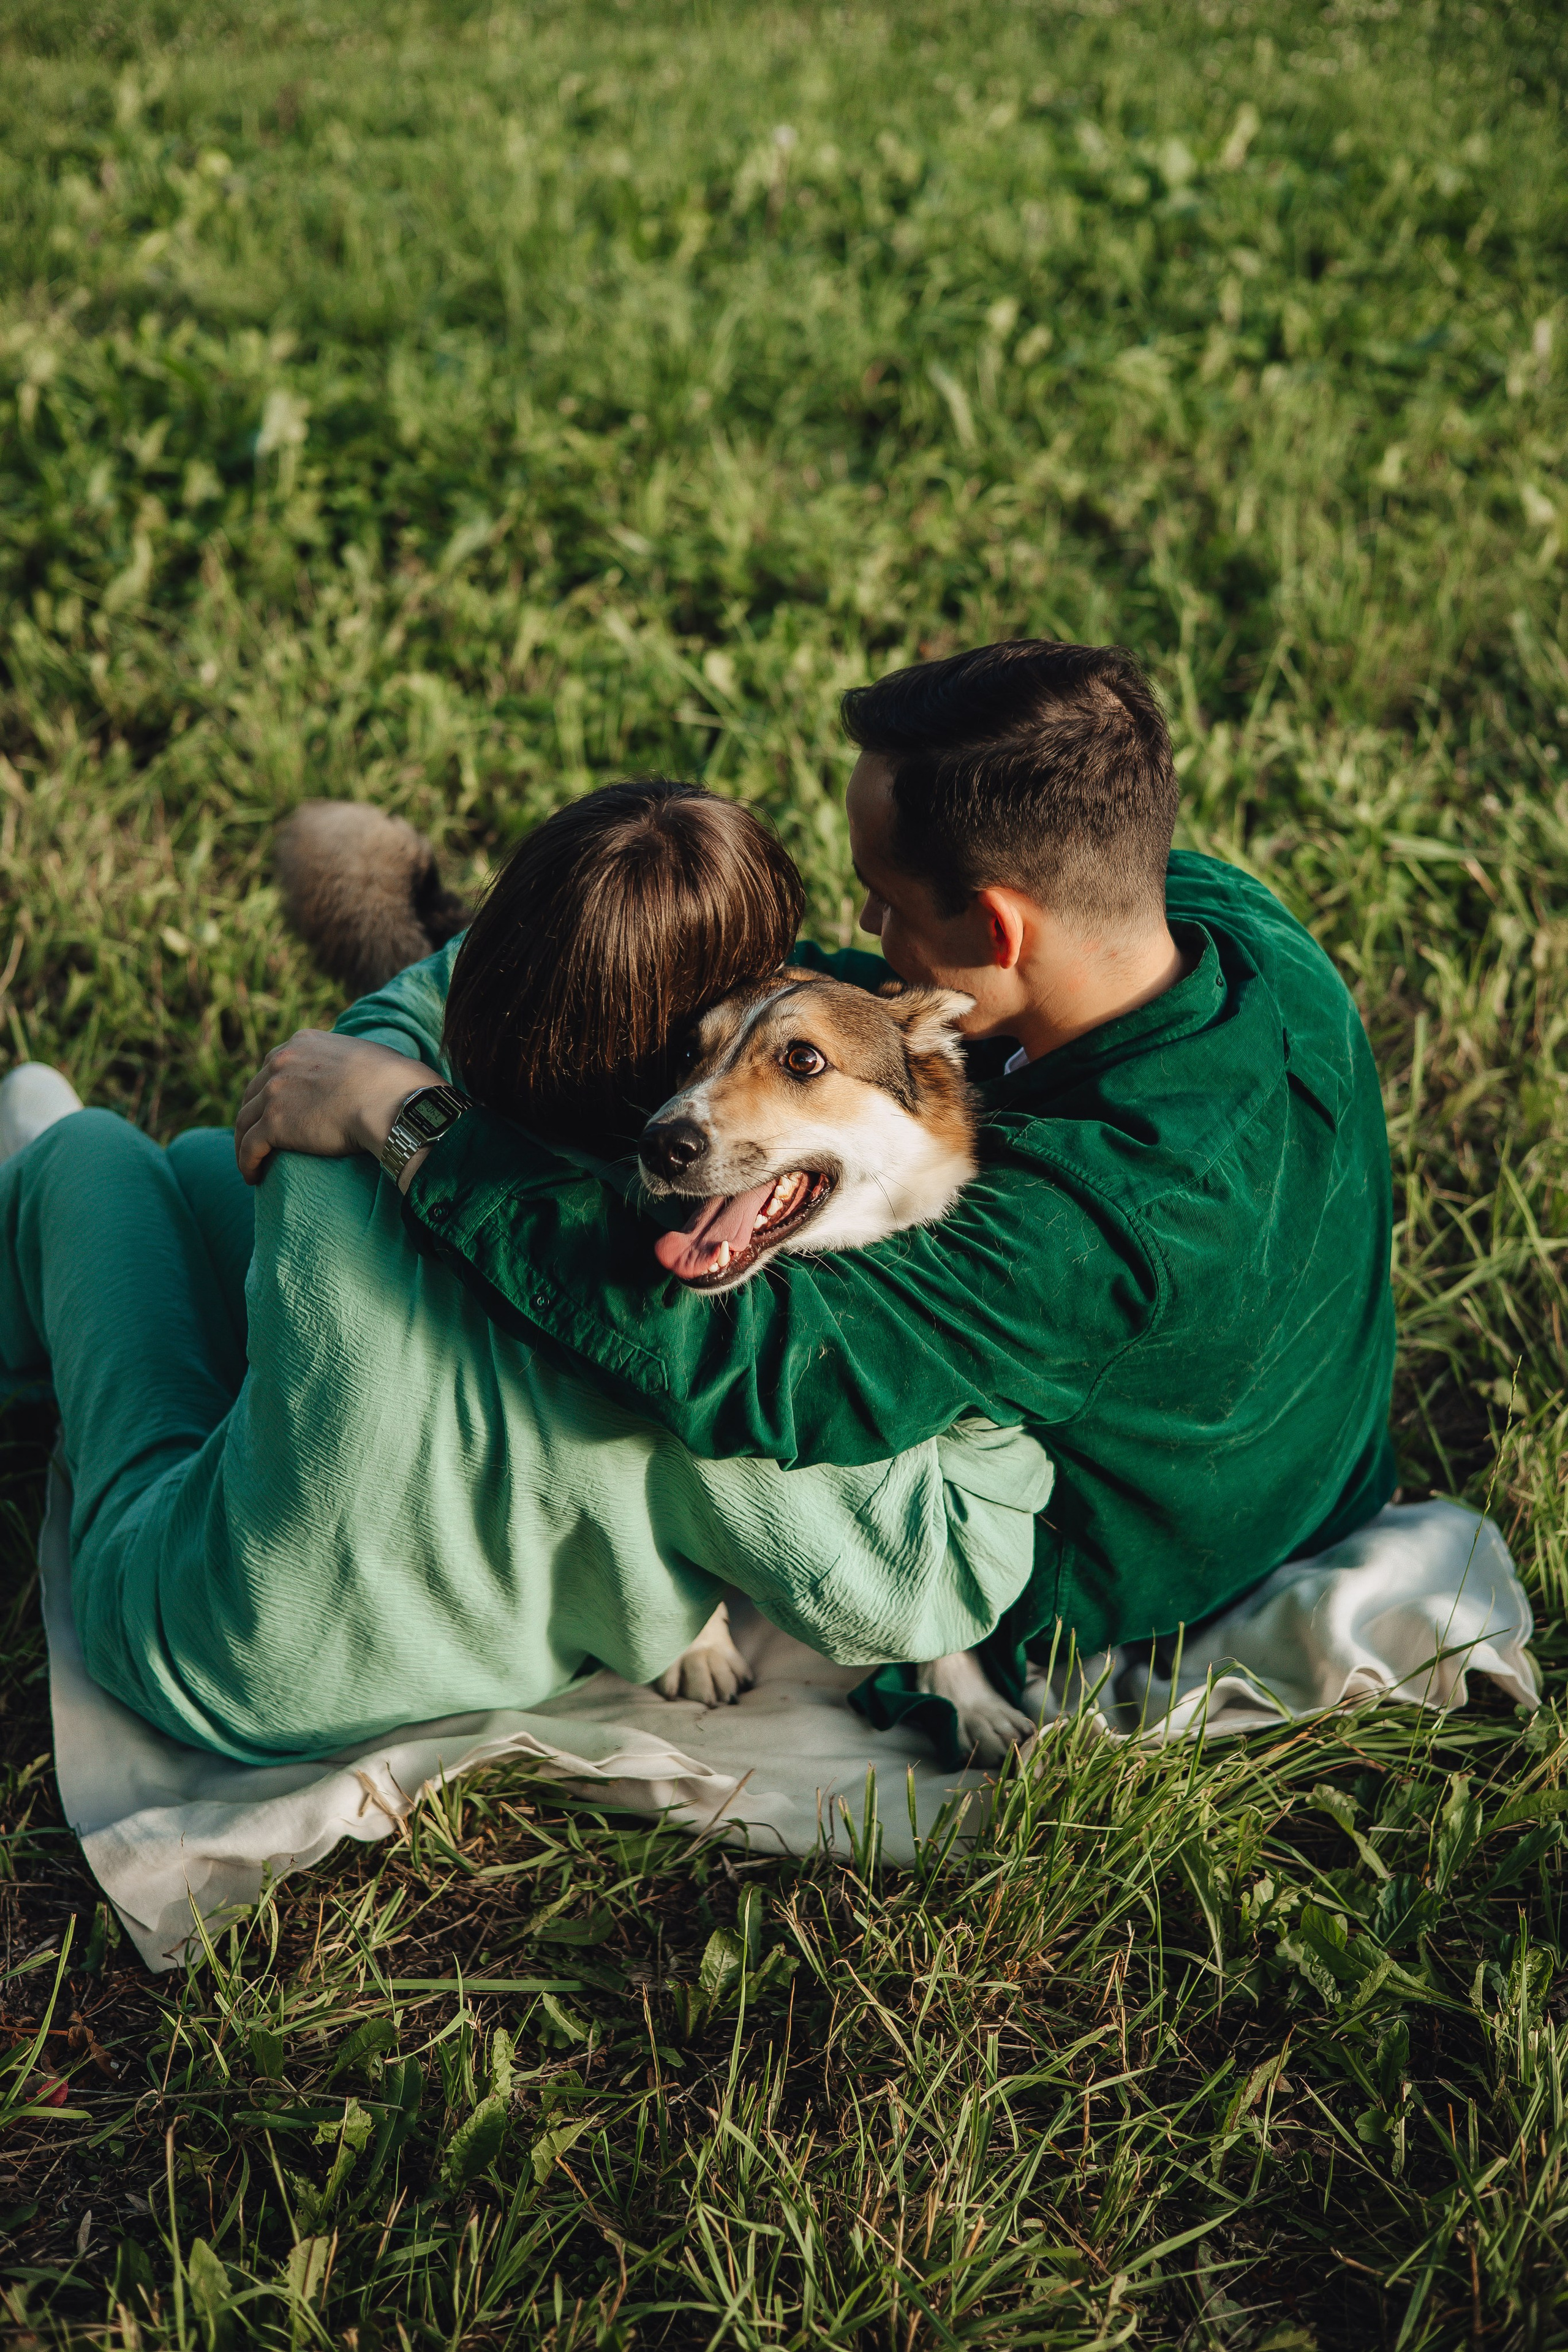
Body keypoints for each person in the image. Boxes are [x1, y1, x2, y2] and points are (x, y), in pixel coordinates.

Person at [239, 641, 1396, 1732]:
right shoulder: (1229, 930)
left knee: (578, 1366)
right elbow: (852, 1009)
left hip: (1113, 1576)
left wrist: (409, 1122)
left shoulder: (1088, 1224)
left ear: (999, 923)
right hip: (1321, 1469)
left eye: (885, 901)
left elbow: (725, 1357)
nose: (864, 927)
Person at [0, 780, 1051, 1763]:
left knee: (94, 1153)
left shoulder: (352, 1080)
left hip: (210, 1639)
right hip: (496, 1654)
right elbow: (911, 1582)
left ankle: (40, 1192)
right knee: (185, 1179)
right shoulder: (714, 1358)